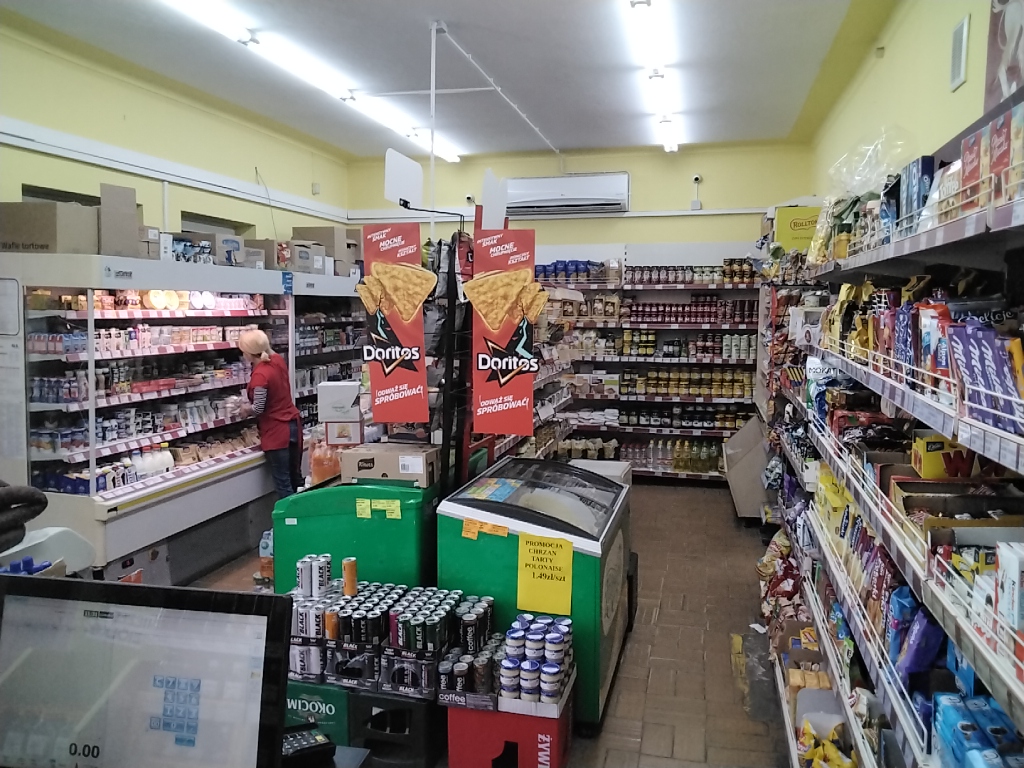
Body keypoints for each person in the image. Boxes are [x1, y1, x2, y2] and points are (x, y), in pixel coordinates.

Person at [237, 329, 303, 499]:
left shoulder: (261, 375)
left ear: (248, 354)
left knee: (283, 484)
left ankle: (289, 515)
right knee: (296, 479)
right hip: (293, 425)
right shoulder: (277, 360)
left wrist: (245, 409)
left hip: (277, 432)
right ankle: (304, 513)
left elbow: (259, 407)